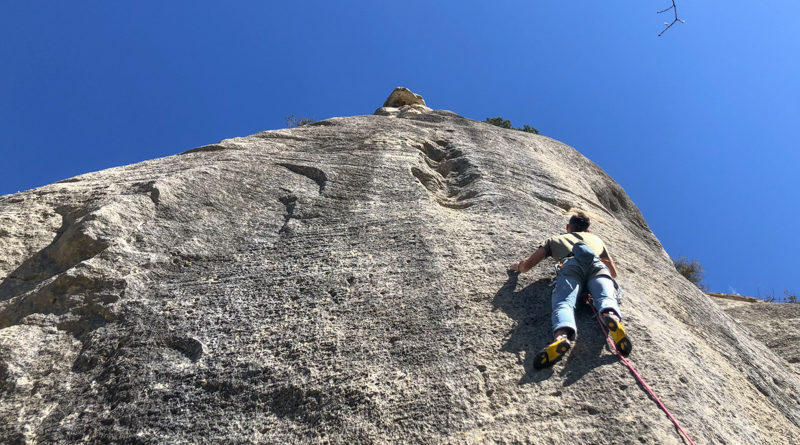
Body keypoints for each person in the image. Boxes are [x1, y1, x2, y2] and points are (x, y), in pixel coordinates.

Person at [510, 212, 631, 369]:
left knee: (564, 302)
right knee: (606, 297)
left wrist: (518, 266)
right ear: (587, 231)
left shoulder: (556, 240)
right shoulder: (596, 239)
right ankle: (611, 317)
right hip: (598, 267)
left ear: (568, 227)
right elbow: (613, 272)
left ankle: (561, 337)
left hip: (571, 266)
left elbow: (528, 265)